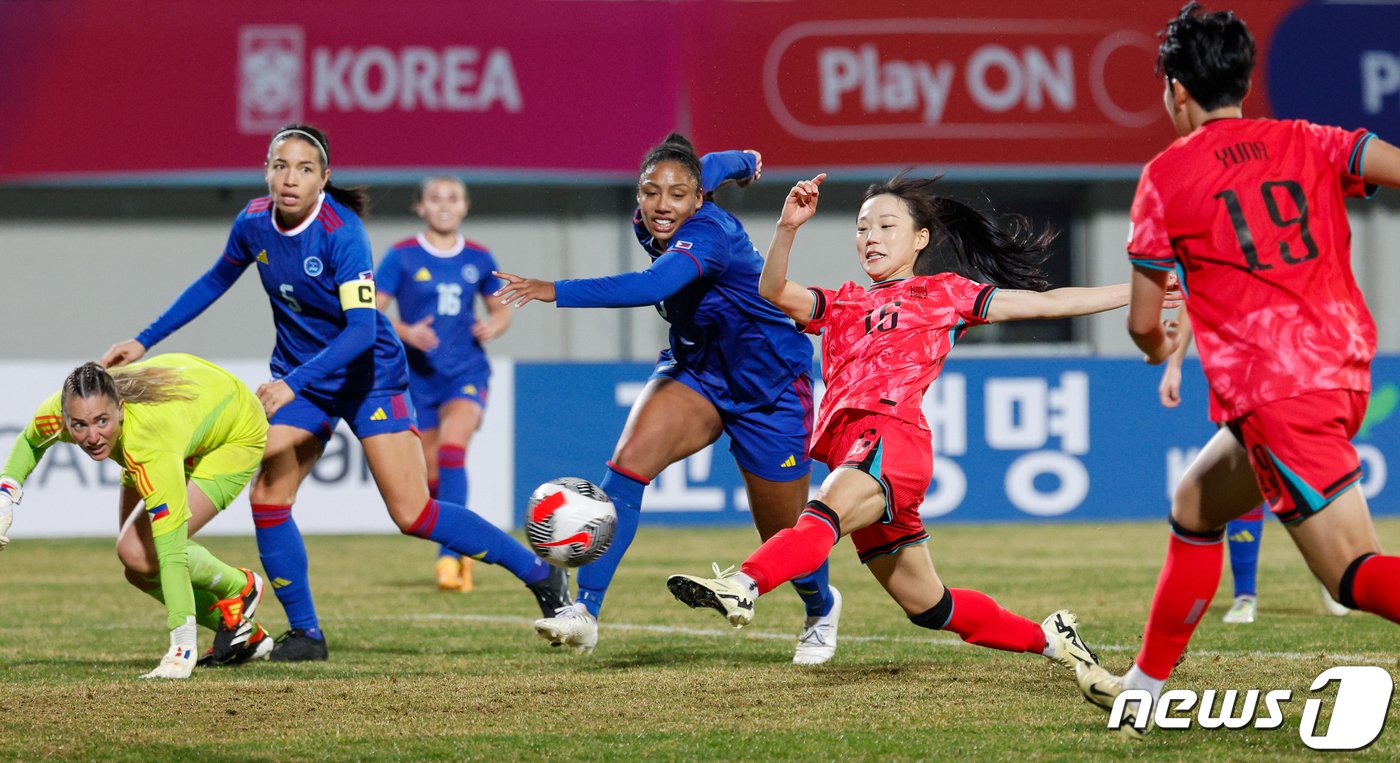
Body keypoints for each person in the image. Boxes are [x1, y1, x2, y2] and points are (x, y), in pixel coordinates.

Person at [100, 124, 569, 662]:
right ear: (266, 171)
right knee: (268, 496)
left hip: (368, 376)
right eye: (280, 166)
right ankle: (306, 635)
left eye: (304, 169)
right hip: (303, 379)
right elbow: (212, 282)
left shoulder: (341, 232)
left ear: (324, 177)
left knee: (412, 513)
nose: (290, 179)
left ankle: (541, 575)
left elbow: (362, 331)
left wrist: (289, 384)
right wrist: (143, 340)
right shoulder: (254, 222)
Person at [1075, 3, 1400, 738]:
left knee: (1349, 571)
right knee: (1196, 503)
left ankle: (1149, 687)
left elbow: (1140, 321)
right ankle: (1147, 687)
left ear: (1175, 91)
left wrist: (1160, 351)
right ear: (1244, 80)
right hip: (1345, 366)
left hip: (1276, 388)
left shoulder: (1164, 176)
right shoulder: (1309, 139)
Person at [665, 170, 1133, 673]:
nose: (872, 238)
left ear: (920, 239)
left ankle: (742, 586)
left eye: (887, 226)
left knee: (820, 511)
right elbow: (773, 289)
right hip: (854, 449)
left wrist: (1140, 289)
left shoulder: (943, 293)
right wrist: (787, 226)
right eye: (864, 228)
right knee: (930, 607)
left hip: (891, 436)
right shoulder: (844, 301)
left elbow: (1047, 304)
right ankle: (1052, 641)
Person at [495, 134, 841, 663]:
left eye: (677, 195)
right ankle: (584, 612)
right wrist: (746, 161)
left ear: (699, 200)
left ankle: (820, 608)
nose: (662, 204)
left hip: (769, 388)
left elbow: (650, 286)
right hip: (696, 371)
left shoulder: (708, 235)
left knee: (781, 530)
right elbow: (714, 165)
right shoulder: (669, 201)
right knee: (627, 468)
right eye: (650, 192)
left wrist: (554, 289)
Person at [0, 355, 273, 679]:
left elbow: (170, 550)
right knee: (137, 566)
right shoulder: (63, 413)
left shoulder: (149, 443)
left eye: (102, 421)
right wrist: (5, 498)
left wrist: (182, 647)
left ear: (120, 408)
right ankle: (244, 634)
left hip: (233, 432)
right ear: (65, 418)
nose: (92, 437)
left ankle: (238, 587)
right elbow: (31, 441)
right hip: (184, 416)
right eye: (79, 426)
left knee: (145, 551)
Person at [1159, 308, 1352, 623]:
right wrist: (1175, 364)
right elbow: (1192, 301)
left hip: (1295, 359)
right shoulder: (1211, 262)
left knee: (1303, 472)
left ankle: (1327, 563)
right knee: (1245, 470)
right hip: (1233, 368)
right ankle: (1245, 595)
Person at [376, 176, 511, 593]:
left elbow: (501, 307)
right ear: (421, 207)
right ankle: (461, 542)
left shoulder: (478, 256)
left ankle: (449, 556)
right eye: (435, 198)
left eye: (453, 197)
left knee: (455, 448)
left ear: (465, 206)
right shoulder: (400, 256)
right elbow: (373, 310)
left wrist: (493, 327)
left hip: (466, 373)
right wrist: (406, 330)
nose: (444, 205)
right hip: (417, 379)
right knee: (432, 473)